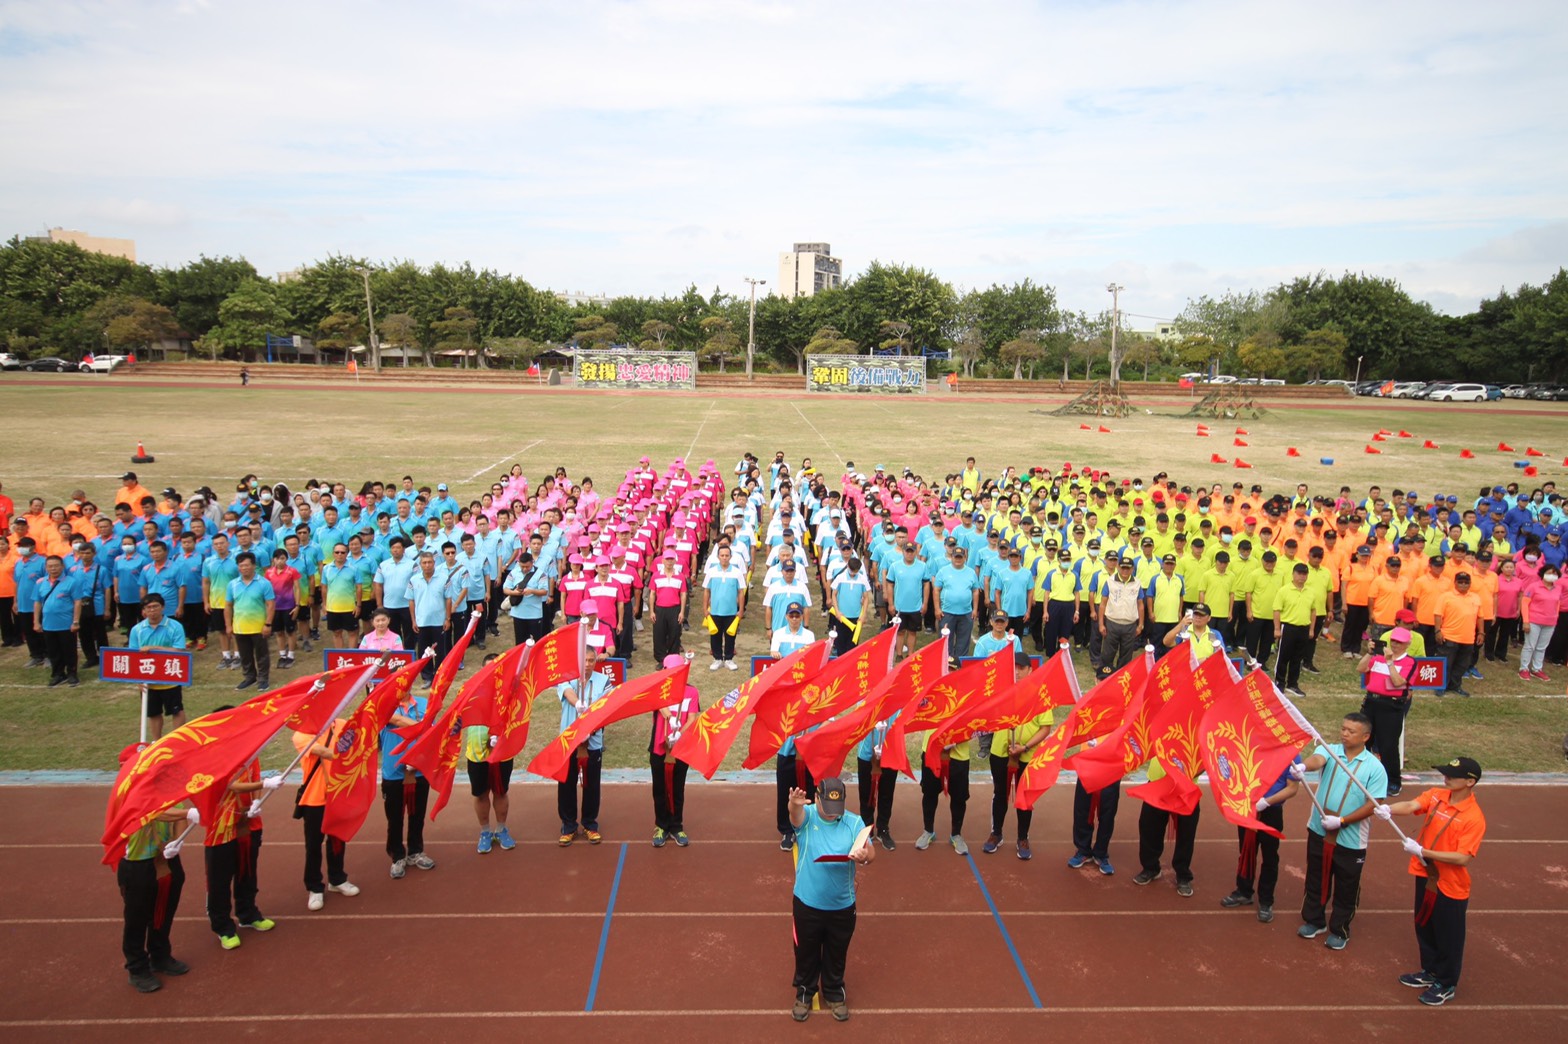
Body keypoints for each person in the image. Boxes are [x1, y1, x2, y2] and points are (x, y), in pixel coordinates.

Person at [1375, 756, 1487, 1007]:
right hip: (1426, 876)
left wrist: (1423, 852)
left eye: (1452, 775)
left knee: (1449, 935)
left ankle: (1446, 983)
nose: (1445, 777)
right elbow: (1414, 804)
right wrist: (1389, 809)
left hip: (1450, 884)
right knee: (1424, 924)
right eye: (1445, 772)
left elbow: (1462, 858)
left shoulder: (1473, 817)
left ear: (1470, 782)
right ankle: (1430, 971)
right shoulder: (1438, 795)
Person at [1292, 713, 1388, 950]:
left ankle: (1340, 929)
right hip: (1319, 828)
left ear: (1365, 736)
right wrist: (1304, 765)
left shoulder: (1374, 767)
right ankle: (1314, 920)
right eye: (1343, 729)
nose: (1344, 734)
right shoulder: (1331, 750)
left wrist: (1343, 820)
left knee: (1347, 886)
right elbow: (1317, 759)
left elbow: (1373, 803)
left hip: (1350, 838)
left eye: (1351, 731)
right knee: (1316, 877)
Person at [787, 779, 873, 1023]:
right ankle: (804, 993)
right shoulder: (808, 817)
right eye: (827, 805)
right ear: (816, 798)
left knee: (837, 952)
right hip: (807, 904)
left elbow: (870, 853)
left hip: (842, 906)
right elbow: (795, 816)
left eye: (837, 806)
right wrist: (793, 805)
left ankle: (835, 993)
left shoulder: (854, 822)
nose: (833, 812)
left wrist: (865, 856)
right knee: (806, 952)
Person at [116, 751, 198, 992]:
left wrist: (177, 841)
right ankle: (137, 967)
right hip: (138, 865)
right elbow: (151, 812)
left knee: (164, 912)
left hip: (166, 859)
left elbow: (177, 808)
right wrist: (186, 814)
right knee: (137, 919)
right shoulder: (126, 794)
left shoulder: (165, 787)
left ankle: (160, 955)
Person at [203, 744, 281, 949]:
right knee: (220, 878)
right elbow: (232, 785)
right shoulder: (218, 757)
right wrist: (265, 783)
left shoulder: (251, 754)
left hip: (248, 822)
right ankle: (223, 927)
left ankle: (248, 913)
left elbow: (254, 778)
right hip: (222, 827)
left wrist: (256, 803)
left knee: (247, 871)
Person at [1221, 756, 1301, 923]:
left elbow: (1292, 788)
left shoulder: (1290, 754)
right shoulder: (1250, 745)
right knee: (1246, 850)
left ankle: (1266, 900)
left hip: (1271, 811)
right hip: (1247, 808)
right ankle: (1243, 891)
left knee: (1270, 856)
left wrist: (1266, 802)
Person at [293, 719, 360, 910]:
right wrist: (349, 752)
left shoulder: (343, 725)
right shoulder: (302, 733)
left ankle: (337, 879)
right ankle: (314, 887)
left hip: (339, 794)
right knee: (314, 843)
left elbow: (359, 743)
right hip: (315, 798)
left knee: (337, 840)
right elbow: (324, 753)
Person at [557, 644, 611, 846]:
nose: (587, 664)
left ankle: (590, 824)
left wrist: (592, 727)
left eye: (591, 660)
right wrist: (578, 704)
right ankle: (568, 825)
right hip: (568, 741)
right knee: (566, 784)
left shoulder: (604, 681)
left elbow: (606, 708)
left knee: (591, 785)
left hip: (593, 741)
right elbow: (567, 692)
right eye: (584, 660)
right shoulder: (567, 677)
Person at [464, 654, 516, 854]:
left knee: (501, 791)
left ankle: (501, 829)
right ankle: (485, 832)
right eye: (488, 669)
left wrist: (501, 735)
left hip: (502, 752)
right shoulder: (472, 691)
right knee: (481, 793)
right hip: (477, 753)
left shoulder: (511, 694)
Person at [1359, 626, 1417, 795]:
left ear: (1407, 644)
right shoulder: (1378, 658)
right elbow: (1361, 668)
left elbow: (1399, 682)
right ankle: (1364, 776)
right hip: (1371, 702)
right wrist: (1369, 653)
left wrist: (1390, 662)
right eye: (1393, 641)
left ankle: (1393, 781)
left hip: (1391, 707)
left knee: (1388, 746)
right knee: (1364, 741)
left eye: (1399, 642)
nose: (1395, 644)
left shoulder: (1410, 662)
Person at [650, 653, 699, 847]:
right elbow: (660, 705)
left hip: (681, 747)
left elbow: (692, 717)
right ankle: (661, 825)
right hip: (659, 747)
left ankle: (677, 826)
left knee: (678, 788)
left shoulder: (692, 692)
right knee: (660, 788)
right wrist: (671, 718)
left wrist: (680, 733)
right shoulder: (659, 688)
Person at [127, 594, 188, 738]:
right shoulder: (137, 630)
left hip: (170, 677)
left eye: (155, 606)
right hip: (148, 679)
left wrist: (155, 648)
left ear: (163, 607)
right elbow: (133, 656)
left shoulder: (175, 626)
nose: (152, 610)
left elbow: (180, 650)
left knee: (176, 710)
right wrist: (138, 680)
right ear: (144, 611)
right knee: (153, 713)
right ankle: (156, 742)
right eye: (148, 608)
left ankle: (177, 740)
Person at [1432, 572, 1482, 697]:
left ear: (1470, 584)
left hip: (1468, 638)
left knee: (1462, 664)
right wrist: (1438, 631)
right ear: (1455, 583)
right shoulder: (1445, 596)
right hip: (1449, 636)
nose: (1463, 584)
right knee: (1446, 664)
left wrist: (1481, 632)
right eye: (1460, 582)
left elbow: (1480, 617)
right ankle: (1440, 686)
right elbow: (1438, 614)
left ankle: (1455, 686)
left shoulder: (1476, 598)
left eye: (1466, 582)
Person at [34, 553, 81, 686]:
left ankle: (72, 673)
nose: (53, 569)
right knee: (53, 651)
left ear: (62, 566)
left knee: (69, 651)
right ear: (46, 567)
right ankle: (58, 674)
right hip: (48, 624)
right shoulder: (40, 583)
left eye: (56, 566)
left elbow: (77, 602)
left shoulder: (71, 582)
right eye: (50, 566)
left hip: (66, 624)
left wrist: (76, 621)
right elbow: (37, 602)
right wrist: (36, 622)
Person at [1272, 563, 1316, 696]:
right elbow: (1277, 610)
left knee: (1297, 658)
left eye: (1304, 574)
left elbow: (1313, 611)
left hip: (1303, 627)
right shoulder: (1284, 590)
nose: (1302, 577)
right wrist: (1277, 628)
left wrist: (1311, 629)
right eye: (1299, 574)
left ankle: (1293, 683)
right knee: (1283, 656)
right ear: (1293, 574)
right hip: (1288, 627)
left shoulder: (1310, 592)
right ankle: (1279, 682)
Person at [702, 544, 746, 670]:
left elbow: (741, 592)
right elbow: (706, 591)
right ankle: (717, 658)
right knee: (715, 635)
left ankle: (728, 658)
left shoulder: (737, 572)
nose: (724, 558)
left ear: (730, 557)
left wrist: (741, 609)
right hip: (715, 610)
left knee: (730, 636)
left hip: (731, 611)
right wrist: (705, 608)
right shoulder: (711, 571)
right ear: (718, 557)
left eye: (727, 555)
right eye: (722, 555)